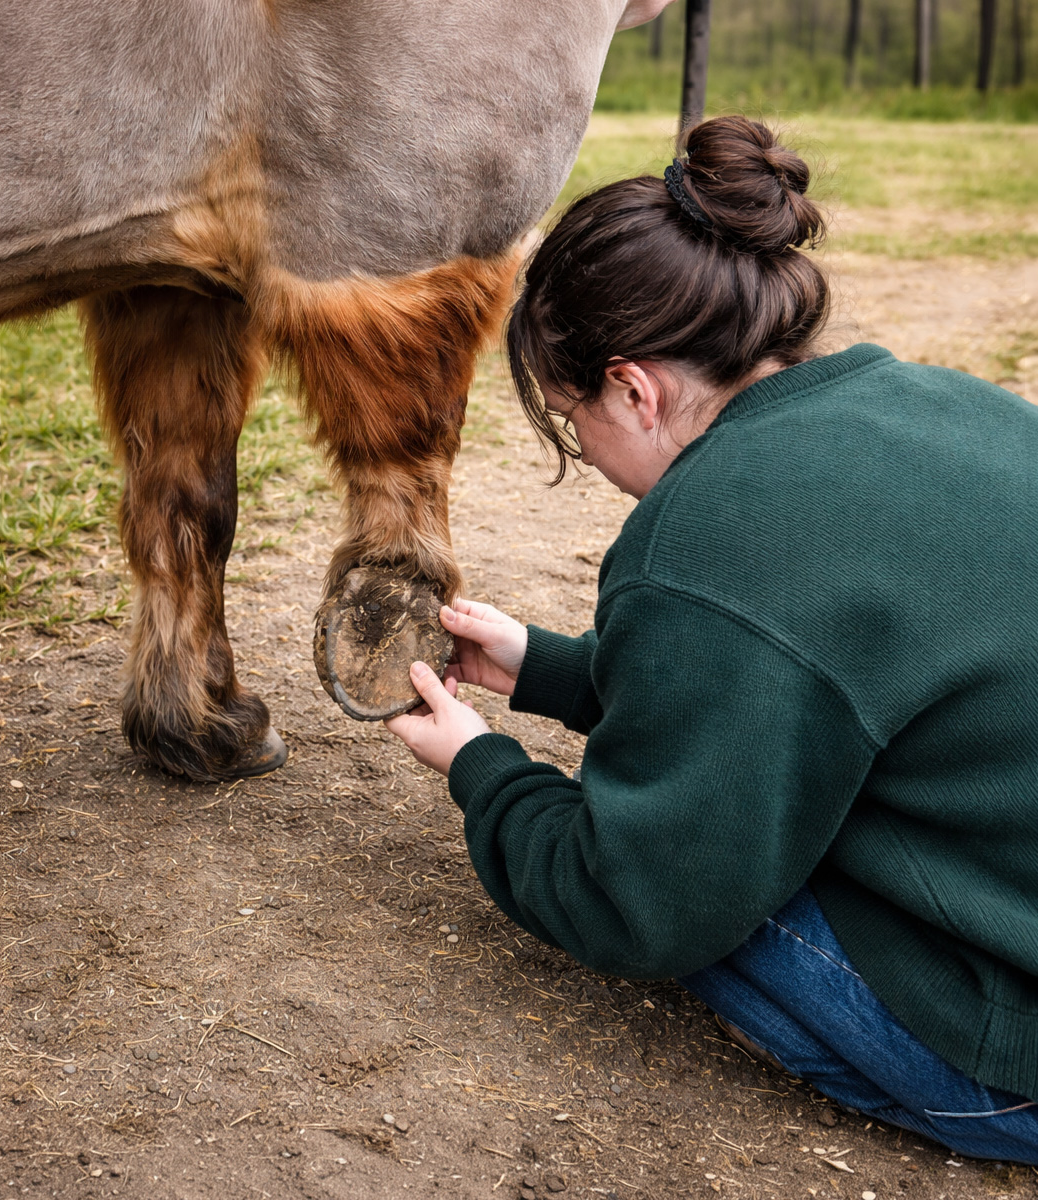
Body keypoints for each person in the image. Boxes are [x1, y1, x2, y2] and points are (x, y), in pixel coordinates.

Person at [384, 115, 1038, 1163]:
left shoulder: (704, 537)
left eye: (570, 420)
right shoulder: (940, 400)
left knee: (701, 894)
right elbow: (825, 674)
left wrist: (484, 769)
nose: (585, 455)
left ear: (633, 388)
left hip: (1015, 1054)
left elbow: (638, 900)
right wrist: (555, 670)